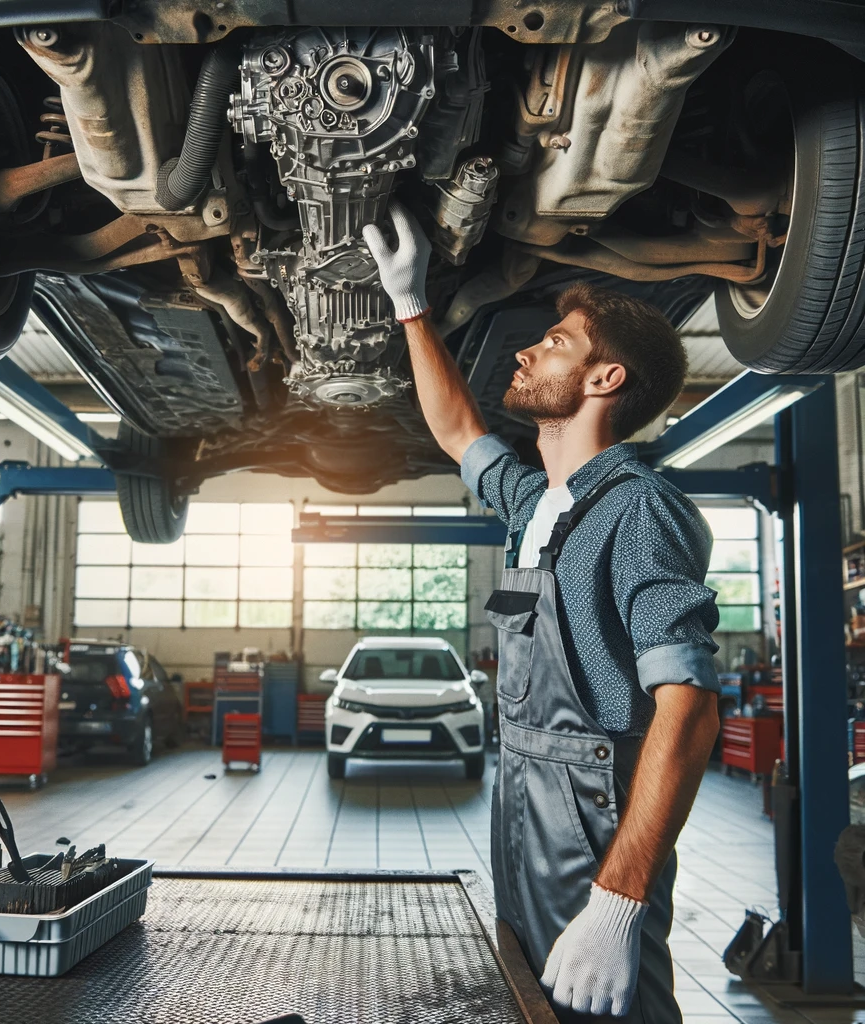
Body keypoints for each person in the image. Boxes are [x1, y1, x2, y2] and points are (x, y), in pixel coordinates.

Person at [363, 202, 721, 1023]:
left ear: (605, 380)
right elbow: (460, 433)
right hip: (521, 802)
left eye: (555, 344)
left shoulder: (637, 510)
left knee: (609, 1010)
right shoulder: (538, 506)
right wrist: (410, 304)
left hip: (592, 826)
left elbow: (691, 706)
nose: (526, 349)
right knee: (536, 1005)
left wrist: (619, 900)